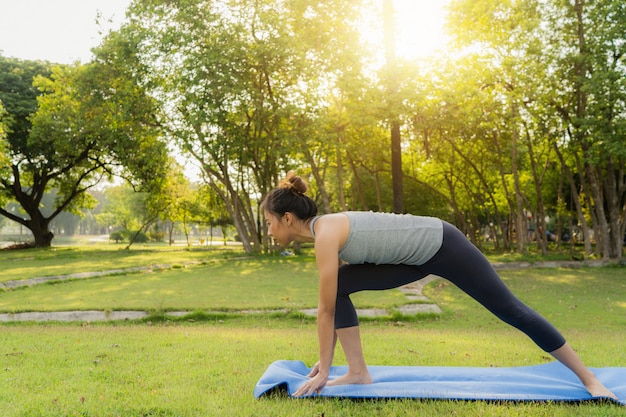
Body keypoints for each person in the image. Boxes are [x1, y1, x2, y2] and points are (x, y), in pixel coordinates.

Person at [261, 173, 617, 399]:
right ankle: (357, 373)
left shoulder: (325, 235)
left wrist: (324, 369)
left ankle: (588, 378)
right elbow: (333, 302)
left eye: (269, 223)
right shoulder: (325, 235)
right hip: (413, 258)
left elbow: (323, 311)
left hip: (443, 244)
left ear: (288, 219)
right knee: (342, 286)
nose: (268, 230)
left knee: (511, 310)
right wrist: (326, 363)